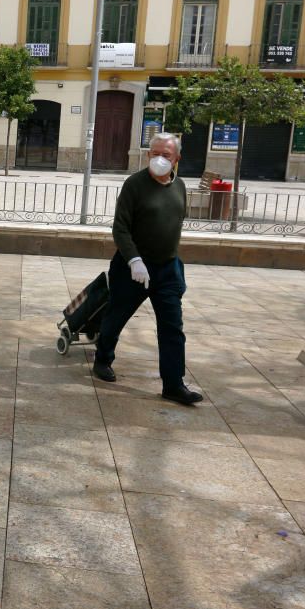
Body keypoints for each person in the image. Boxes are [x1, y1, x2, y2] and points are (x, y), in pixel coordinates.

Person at [91, 132, 204, 406]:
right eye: (155, 153)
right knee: (117, 316)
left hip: (166, 269)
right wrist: (134, 259)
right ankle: (103, 359)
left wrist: (174, 266)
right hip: (133, 268)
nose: (159, 159)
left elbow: (174, 223)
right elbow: (120, 228)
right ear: (147, 155)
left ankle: (174, 384)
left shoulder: (179, 187)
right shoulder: (135, 185)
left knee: (172, 328)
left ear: (177, 159)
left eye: (166, 155)